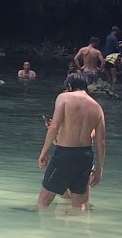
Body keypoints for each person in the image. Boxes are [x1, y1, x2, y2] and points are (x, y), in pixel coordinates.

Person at [37, 74, 106, 212]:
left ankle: (42, 231)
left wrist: (44, 151)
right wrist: (99, 169)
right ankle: (80, 231)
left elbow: (54, 126)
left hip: (65, 153)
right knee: (79, 205)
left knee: (44, 201)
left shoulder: (64, 98)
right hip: (85, 156)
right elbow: (101, 142)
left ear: (69, 86)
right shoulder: (97, 107)